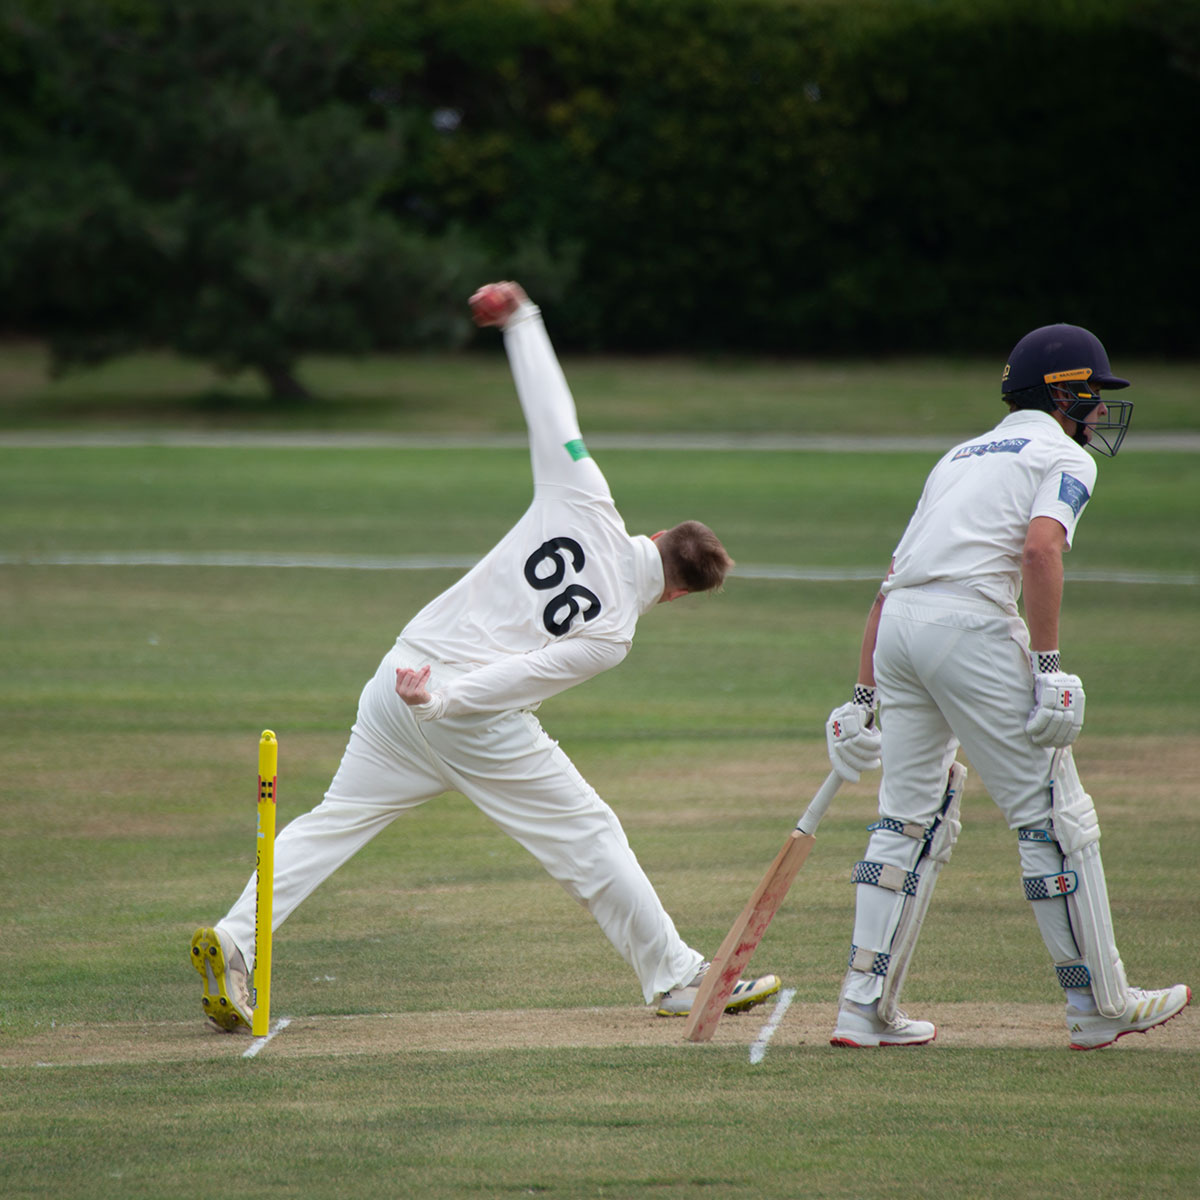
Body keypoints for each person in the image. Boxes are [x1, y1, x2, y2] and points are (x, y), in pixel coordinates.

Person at [190, 281, 780, 1032]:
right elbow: (512, 680)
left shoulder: (586, 494)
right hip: (458, 712)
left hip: (397, 672)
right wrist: (442, 704)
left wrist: (521, 320)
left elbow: (552, 410)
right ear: (679, 595)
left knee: (332, 822)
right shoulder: (612, 637)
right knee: (589, 835)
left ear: (659, 534)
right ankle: (674, 977)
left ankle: (235, 939)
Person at [822, 323, 1190, 1050]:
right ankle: (1099, 1005)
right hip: (969, 628)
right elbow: (1039, 547)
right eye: (1094, 398)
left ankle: (861, 1008)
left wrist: (861, 699)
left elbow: (889, 583)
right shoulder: (1060, 456)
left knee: (906, 818)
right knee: (1054, 817)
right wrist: (1049, 666)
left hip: (900, 627)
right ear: (1065, 395)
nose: (1099, 414)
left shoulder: (957, 455)